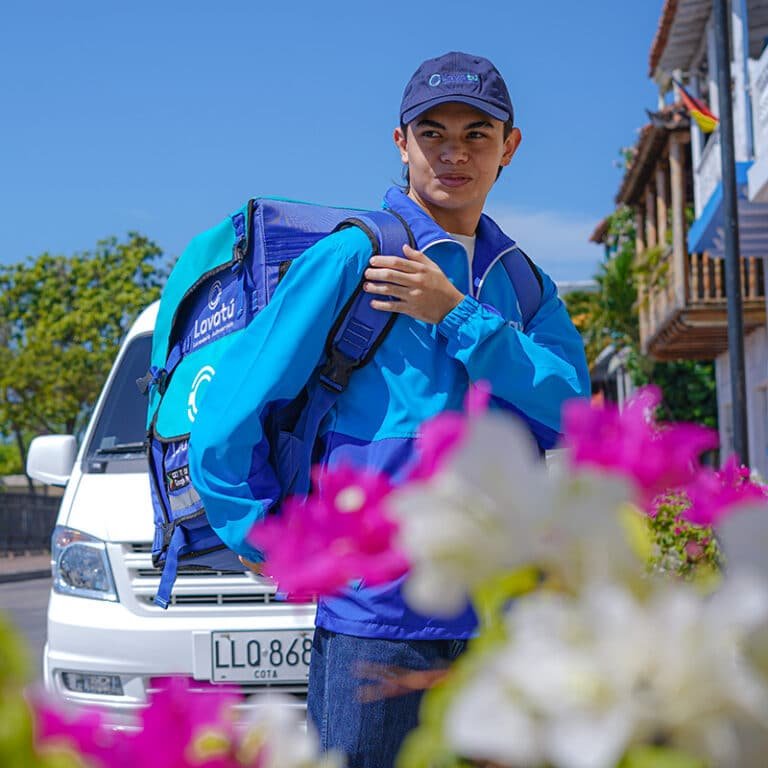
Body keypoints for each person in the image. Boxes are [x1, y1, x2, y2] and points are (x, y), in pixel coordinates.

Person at [189, 51, 590, 768]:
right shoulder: (356, 256)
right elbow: (229, 410)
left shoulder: (524, 283)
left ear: (509, 146)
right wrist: (265, 537)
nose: (454, 153)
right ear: (402, 143)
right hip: (375, 620)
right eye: (433, 133)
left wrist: (456, 314)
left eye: (476, 134)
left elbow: (569, 410)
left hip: (501, 614)